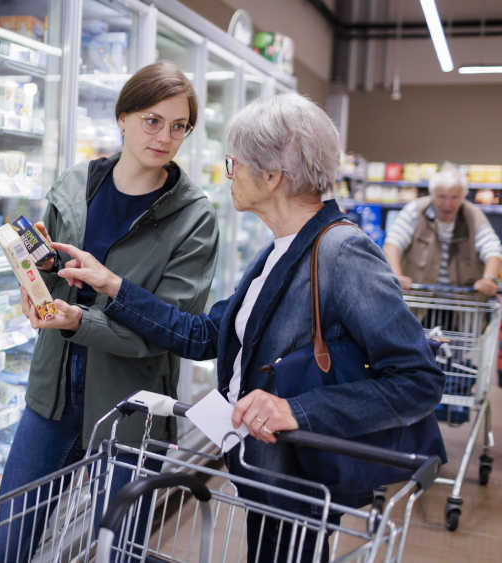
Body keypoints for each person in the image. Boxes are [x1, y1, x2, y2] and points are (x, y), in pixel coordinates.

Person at [34, 92, 445, 562]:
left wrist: (298, 411)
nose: (229, 176)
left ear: (270, 177)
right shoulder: (280, 249)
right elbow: (203, 334)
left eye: (234, 165)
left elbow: (419, 381)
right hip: (264, 470)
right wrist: (112, 286)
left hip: (303, 482)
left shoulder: (342, 253)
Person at [0, 61, 219, 562]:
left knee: (120, 549)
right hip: (51, 397)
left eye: (179, 126)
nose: (165, 137)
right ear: (123, 117)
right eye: (152, 121)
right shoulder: (76, 184)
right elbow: (51, 278)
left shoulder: (193, 216)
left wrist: (77, 321)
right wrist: (35, 280)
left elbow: (165, 331)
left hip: (131, 410)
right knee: (7, 541)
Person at [384, 163, 502, 297]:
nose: (448, 204)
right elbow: (393, 243)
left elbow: (492, 248)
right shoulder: (415, 210)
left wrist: (489, 279)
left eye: (454, 197)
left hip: (461, 300)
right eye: (442, 197)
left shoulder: (473, 215)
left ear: (463, 196)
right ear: (432, 194)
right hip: (419, 296)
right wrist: (397, 276)